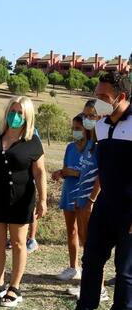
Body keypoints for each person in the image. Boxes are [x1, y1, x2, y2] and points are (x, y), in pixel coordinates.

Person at [54, 72, 132, 310]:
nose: (97, 101)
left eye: (103, 97)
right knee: (92, 261)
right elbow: (99, 168)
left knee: (125, 270)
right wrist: (91, 199)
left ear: (121, 97)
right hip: (105, 205)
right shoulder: (101, 127)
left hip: (129, 210)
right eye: (96, 95)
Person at [0, 96, 47, 307]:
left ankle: (14, 287)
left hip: (21, 199)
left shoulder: (32, 141)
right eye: (12, 111)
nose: (15, 116)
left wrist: (43, 200)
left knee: (19, 243)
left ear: (27, 116)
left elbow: (40, 172)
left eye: (20, 113)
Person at [52, 110, 100, 283]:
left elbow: (91, 174)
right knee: (71, 231)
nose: (75, 131)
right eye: (73, 128)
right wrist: (60, 173)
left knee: (84, 233)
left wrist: (72, 172)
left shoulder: (93, 148)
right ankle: (73, 267)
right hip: (68, 191)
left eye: (78, 128)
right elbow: (67, 169)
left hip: (83, 195)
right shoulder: (70, 147)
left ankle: (89, 272)